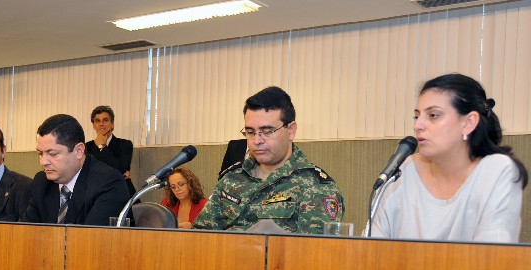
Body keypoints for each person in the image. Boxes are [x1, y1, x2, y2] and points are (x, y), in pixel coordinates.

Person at [370, 73, 528, 243]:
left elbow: (491, 255)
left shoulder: (496, 172)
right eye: (417, 116)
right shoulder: (404, 170)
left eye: (433, 115)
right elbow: (373, 248)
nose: (417, 125)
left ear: (468, 123)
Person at [193, 86, 344, 234]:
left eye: (267, 131)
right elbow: (201, 236)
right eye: (250, 132)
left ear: (291, 131)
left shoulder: (316, 186)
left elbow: (315, 248)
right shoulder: (231, 179)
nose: (257, 140)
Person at [20, 114, 130, 225]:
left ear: (79, 151)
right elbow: (25, 231)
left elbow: (90, 235)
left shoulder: (109, 183)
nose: (43, 162)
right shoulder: (42, 183)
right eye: (40, 153)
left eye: (52, 154)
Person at [85, 105, 137, 197]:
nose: (101, 124)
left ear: (112, 124)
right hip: (96, 194)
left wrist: (102, 147)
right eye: (97, 121)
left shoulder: (125, 144)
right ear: (94, 125)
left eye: (105, 120)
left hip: (121, 193)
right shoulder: (86, 147)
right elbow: (87, 173)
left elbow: (119, 170)